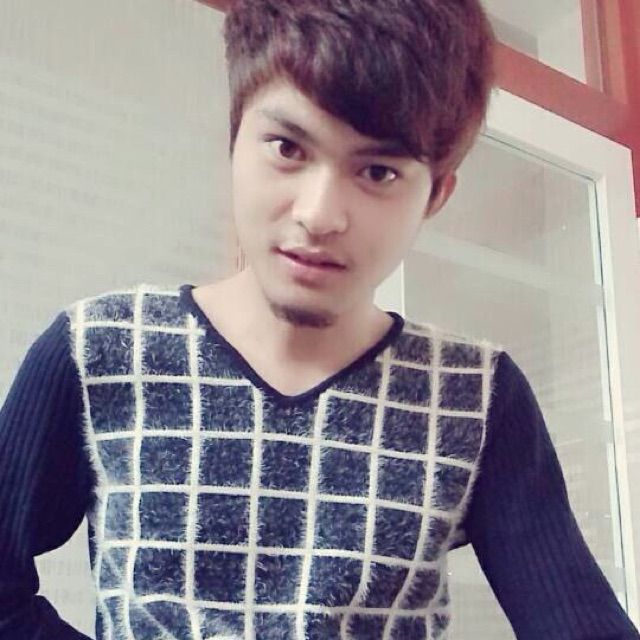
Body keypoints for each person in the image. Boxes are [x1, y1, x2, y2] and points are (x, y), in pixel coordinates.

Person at [1, 0, 638, 638]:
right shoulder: (101, 351)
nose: (319, 213)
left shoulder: (476, 394)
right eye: (287, 147)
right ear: (234, 137)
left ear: (436, 194)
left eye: (378, 171)